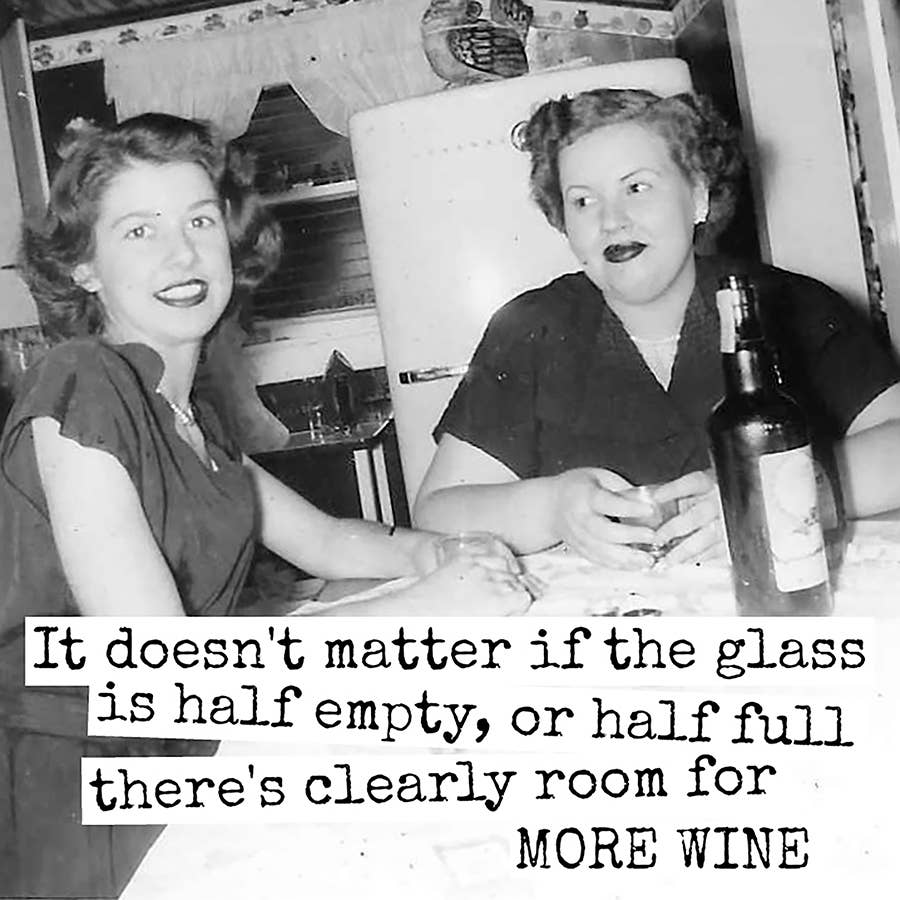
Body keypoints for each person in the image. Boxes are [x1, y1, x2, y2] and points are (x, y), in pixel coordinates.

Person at [0, 113, 529, 898]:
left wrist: (441, 552)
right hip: (84, 806)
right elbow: (161, 671)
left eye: (199, 220)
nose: (182, 253)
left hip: (180, 761)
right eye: (140, 231)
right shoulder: (82, 382)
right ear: (84, 267)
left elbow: (330, 543)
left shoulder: (188, 414)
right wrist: (426, 606)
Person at [414, 88, 900, 569]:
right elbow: (437, 510)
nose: (611, 220)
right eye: (582, 201)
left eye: (637, 188)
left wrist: (773, 495)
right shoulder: (530, 330)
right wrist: (551, 508)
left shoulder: (790, 305)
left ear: (698, 197)